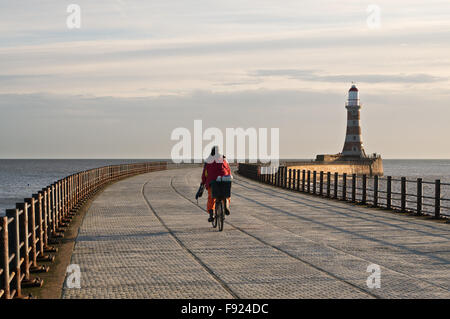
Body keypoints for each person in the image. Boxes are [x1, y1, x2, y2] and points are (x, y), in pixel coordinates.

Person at [200, 146, 232, 222]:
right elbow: (228, 170)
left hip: (212, 182)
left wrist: (203, 182)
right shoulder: (224, 159)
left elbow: (205, 174)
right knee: (226, 194)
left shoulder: (208, 160)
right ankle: (226, 204)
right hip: (224, 180)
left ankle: (212, 214)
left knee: (211, 198)